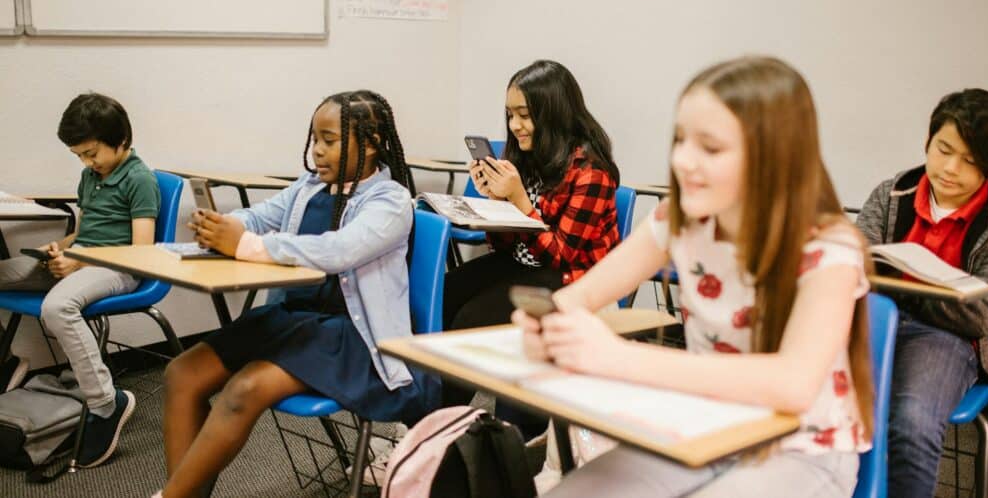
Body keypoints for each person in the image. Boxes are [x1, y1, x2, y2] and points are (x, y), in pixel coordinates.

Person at [517, 57, 873, 497]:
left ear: (774, 155)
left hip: (803, 448)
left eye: (711, 148)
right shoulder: (679, 219)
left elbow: (793, 384)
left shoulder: (829, 248)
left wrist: (618, 359)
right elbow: (583, 294)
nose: (683, 160)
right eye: (681, 140)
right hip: (704, 428)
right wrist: (547, 324)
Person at [156, 91, 436, 498]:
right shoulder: (309, 187)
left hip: (353, 338)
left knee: (244, 389)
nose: (317, 152)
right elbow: (258, 217)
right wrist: (222, 225)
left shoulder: (390, 201)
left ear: (372, 143)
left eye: (330, 140)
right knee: (182, 373)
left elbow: (339, 251)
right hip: (295, 321)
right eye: (314, 140)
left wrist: (247, 245)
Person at [441, 59, 621, 437]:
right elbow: (508, 244)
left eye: (525, 115)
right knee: (446, 293)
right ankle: (434, 423)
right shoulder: (526, 157)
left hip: (573, 279)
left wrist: (520, 202)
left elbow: (561, 255)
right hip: (527, 265)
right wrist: (495, 201)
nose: (514, 126)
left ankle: (442, 435)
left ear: (552, 114)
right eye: (510, 114)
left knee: (468, 322)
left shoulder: (591, 172)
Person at [0, 92, 159, 467]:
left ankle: (106, 402)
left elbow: (141, 251)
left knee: (58, 306)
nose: (87, 163)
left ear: (121, 141)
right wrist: (59, 247)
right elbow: (83, 234)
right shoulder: (90, 177)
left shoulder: (140, 179)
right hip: (82, 261)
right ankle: (6, 363)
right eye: (79, 157)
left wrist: (80, 263)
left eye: (92, 154)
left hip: (121, 269)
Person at [856, 88, 988, 498]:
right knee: (817, 397)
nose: (951, 168)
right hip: (874, 318)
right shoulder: (893, 193)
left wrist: (904, 295)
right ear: (928, 142)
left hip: (948, 338)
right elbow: (854, 265)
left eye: (971, 161)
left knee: (913, 422)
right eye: (943, 149)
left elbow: (984, 314)